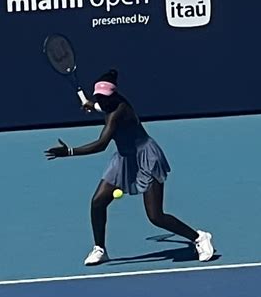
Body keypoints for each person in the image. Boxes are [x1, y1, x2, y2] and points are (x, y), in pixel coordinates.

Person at [45, 69, 214, 265]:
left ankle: (199, 237)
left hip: (146, 159)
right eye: (99, 97)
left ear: (114, 95)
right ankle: (99, 249)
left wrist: (69, 151)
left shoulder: (118, 112)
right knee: (98, 202)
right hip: (124, 160)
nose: (102, 100)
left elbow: (101, 145)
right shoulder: (107, 103)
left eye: (105, 97)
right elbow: (99, 106)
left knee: (155, 216)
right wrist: (92, 105)